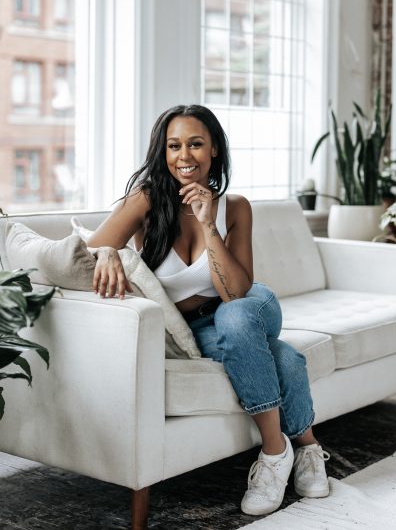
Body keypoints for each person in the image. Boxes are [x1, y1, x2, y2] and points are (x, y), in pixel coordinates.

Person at [87, 104, 330, 516]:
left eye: (196, 144)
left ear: (213, 149)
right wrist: (108, 253)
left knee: (237, 318)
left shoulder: (235, 206)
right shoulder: (145, 200)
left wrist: (207, 224)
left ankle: (273, 454)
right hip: (196, 327)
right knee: (283, 356)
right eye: (174, 146)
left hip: (250, 304)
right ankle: (303, 448)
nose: (185, 156)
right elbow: (88, 248)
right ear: (162, 153)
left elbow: (236, 290)